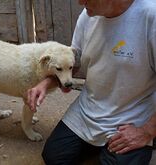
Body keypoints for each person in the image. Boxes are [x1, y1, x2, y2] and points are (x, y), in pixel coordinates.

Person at [27, 0, 156, 164]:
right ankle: (102, 144)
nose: (80, 1)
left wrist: (147, 131)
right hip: (89, 109)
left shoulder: (151, 16)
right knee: (54, 157)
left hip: (132, 116)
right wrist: (46, 83)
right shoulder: (89, 14)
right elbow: (74, 63)